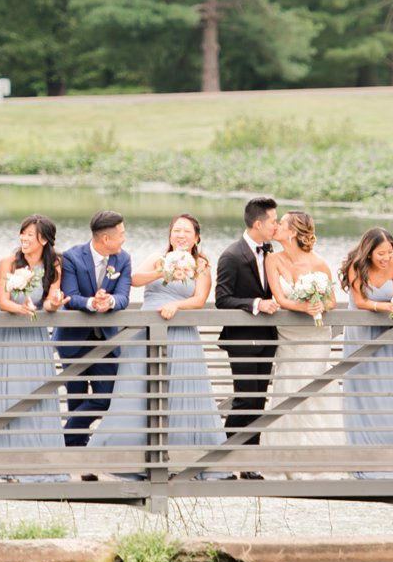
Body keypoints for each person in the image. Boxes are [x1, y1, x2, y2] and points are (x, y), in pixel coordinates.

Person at [90, 214, 227, 479]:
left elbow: (199, 299)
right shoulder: (158, 257)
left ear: (196, 237)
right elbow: (134, 279)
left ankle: (180, 459)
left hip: (180, 334)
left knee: (181, 392)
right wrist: (162, 270)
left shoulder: (202, 265)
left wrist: (176, 305)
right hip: (145, 334)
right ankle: (129, 458)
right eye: (176, 230)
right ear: (170, 235)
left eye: (187, 231)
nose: (181, 235)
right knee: (136, 389)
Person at [0, 214, 68, 483]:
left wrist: (54, 305)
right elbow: (2, 301)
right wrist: (20, 308)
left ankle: (35, 460)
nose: (24, 238)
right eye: (22, 233)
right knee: (4, 393)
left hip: (34, 337)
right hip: (7, 334)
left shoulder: (55, 263)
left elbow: (50, 301)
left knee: (34, 393)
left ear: (44, 239)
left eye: (30, 235)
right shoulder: (8, 262)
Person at [264, 210, 341, 478]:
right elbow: (280, 298)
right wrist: (302, 306)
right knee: (288, 385)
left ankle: (318, 458)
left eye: (281, 223)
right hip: (289, 334)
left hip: (315, 335)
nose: (276, 227)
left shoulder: (318, 263)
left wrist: (320, 304)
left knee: (312, 386)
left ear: (293, 231)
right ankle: (284, 459)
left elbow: (332, 300)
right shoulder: (272, 259)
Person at [214, 196, 281, 480]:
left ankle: (249, 462)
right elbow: (222, 299)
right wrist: (255, 304)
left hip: (266, 337)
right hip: (241, 338)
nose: (276, 226)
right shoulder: (231, 255)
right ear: (258, 223)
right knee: (244, 397)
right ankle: (225, 458)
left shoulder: (271, 251)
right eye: (274, 221)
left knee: (259, 399)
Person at [53, 210, 133, 447]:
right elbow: (71, 296)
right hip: (73, 339)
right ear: (105, 239)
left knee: (106, 397)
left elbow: (123, 296)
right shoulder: (71, 258)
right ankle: (77, 456)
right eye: (121, 234)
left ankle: (63, 438)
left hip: (106, 341)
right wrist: (92, 303)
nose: (124, 239)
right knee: (76, 398)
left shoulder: (123, 259)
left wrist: (109, 302)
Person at [339, 227, 393, 480]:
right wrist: (384, 305)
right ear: (369, 252)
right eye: (381, 253)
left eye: (390, 252)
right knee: (364, 391)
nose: (386, 258)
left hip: (388, 335)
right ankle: (364, 457)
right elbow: (360, 302)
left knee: (392, 390)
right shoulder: (356, 266)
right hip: (361, 334)